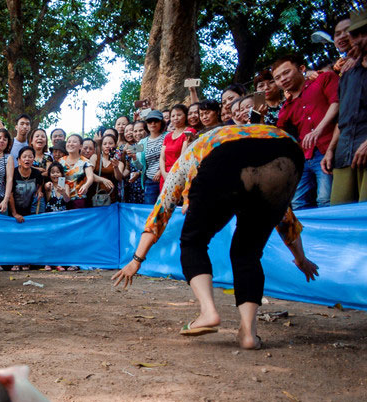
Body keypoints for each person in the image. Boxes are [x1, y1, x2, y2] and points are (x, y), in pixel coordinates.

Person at [112, 125, 319, 350]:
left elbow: (160, 213)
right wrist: (300, 259)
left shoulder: (189, 157)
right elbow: (284, 216)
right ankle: (248, 334)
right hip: (289, 152)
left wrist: (136, 260)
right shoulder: (230, 137)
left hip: (226, 155)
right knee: (247, 252)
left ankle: (208, 312)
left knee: (193, 241)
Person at [274, 54, 338, 210]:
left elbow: (338, 103)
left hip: (329, 148)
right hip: (304, 158)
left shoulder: (323, 79)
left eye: (286, 72)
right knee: (298, 203)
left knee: (326, 199)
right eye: (277, 77)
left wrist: (318, 130)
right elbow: (278, 135)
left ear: (301, 69)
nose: (282, 79)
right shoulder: (286, 108)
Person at [322, 9, 367, 205]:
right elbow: (343, 118)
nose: (356, 39)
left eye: (361, 33)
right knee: (339, 212)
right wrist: (331, 149)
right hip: (344, 152)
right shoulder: (347, 74)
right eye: (354, 34)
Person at [159, 105, 195, 188]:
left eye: (179, 115)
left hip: (180, 173)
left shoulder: (189, 131)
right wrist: (164, 173)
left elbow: (183, 157)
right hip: (165, 175)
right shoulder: (168, 136)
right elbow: (162, 158)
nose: (176, 118)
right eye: (173, 116)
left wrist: (173, 174)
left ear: (185, 116)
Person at [9, 147, 44, 223]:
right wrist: (14, 214)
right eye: (24, 157)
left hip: (30, 212)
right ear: (19, 160)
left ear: (33, 159)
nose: (27, 159)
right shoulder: (13, 173)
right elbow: (10, 195)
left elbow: (40, 183)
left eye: (30, 157)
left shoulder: (37, 173)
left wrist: (39, 191)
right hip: (12, 213)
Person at [138, 110, 166, 204]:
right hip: (150, 181)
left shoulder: (168, 136)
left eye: (156, 121)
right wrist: (133, 157)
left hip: (166, 178)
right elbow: (139, 165)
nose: (153, 124)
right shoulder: (142, 142)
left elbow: (173, 156)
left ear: (161, 123)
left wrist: (161, 171)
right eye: (150, 121)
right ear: (146, 124)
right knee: (149, 210)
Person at [59, 134, 94, 209]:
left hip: (79, 199)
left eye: (74, 142)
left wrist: (86, 185)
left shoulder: (85, 162)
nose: (71, 144)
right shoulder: (60, 161)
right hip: (62, 199)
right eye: (69, 142)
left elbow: (90, 177)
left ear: (80, 146)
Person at [92, 134, 123, 205]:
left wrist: (115, 167)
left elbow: (119, 178)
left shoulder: (119, 163)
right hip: (95, 195)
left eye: (110, 143)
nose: (107, 146)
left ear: (115, 145)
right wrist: (103, 180)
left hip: (111, 196)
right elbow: (89, 174)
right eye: (104, 144)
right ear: (101, 146)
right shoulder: (95, 157)